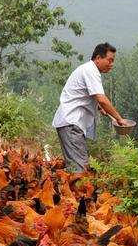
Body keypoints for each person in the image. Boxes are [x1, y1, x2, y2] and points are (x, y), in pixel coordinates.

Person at [52, 42, 128, 173]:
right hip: (71, 123)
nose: (112, 64)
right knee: (80, 170)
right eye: (109, 60)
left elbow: (85, 95)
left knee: (77, 167)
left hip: (70, 123)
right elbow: (101, 98)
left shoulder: (88, 70)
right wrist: (119, 118)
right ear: (98, 58)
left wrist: (99, 108)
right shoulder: (91, 71)